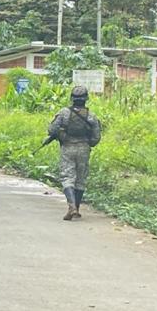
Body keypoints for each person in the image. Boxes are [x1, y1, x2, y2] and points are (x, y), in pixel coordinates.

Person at [47, 85, 102, 221]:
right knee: (80, 179)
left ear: (72, 98)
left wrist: (61, 134)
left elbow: (51, 130)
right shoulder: (91, 116)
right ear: (86, 99)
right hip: (84, 148)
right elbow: (96, 138)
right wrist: (88, 143)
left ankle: (71, 206)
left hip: (67, 147)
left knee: (67, 177)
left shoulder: (64, 113)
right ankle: (75, 207)